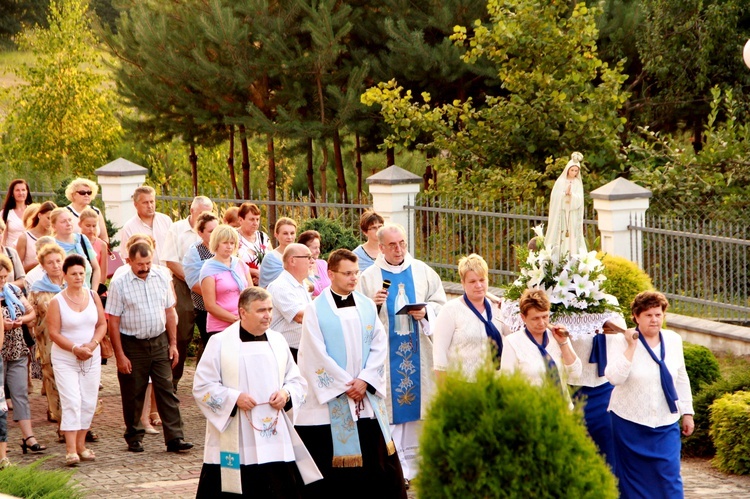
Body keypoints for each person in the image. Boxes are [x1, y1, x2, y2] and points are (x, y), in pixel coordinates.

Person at [296, 249, 407, 498]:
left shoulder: (367, 305)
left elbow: (379, 344)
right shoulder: (315, 310)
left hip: (365, 398)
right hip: (334, 401)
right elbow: (314, 354)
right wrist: (346, 386)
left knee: (376, 463)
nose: (353, 278)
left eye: (356, 273)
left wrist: (365, 381)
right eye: (347, 274)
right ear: (331, 273)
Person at [193, 287, 322, 498]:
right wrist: (234, 398)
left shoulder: (278, 341)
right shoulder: (220, 343)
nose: (268, 315)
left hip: (274, 434)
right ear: (243, 312)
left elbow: (297, 380)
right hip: (237, 430)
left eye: (270, 309)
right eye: (261, 310)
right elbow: (202, 387)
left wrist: (286, 394)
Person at [358, 223, 446, 483]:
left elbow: (442, 304)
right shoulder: (369, 277)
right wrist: (372, 306)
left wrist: (427, 311)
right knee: (391, 413)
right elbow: (360, 317)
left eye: (402, 243)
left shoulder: (423, 272)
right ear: (381, 247)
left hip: (419, 350)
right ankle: (398, 471)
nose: (398, 249)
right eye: (392, 245)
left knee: (421, 411)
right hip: (387, 356)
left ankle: (420, 468)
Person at [105, 241, 193, 453]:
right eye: (140, 264)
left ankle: (175, 438)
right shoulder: (119, 282)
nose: (144, 268)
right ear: (129, 261)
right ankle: (134, 436)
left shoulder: (162, 276)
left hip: (159, 340)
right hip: (132, 343)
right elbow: (113, 321)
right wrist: (120, 355)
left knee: (166, 389)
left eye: (148, 263)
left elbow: (170, 312)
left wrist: (173, 344)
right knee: (133, 391)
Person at [605, 291, 694, 498]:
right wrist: (631, 346)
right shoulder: (620, 341)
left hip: (665, 421)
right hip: (628, 421)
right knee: (632, 480)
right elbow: (614, 378)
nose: (654, 319)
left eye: (658, 314)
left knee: (669, 476)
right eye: (648, 315)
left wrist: (687, 412)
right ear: (635, 317)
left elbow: (681, 376)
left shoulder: (673, 340)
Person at [45, 254, 107, 466]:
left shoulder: (92, 295)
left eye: (81, 273)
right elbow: (53, 333)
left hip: (90, 356)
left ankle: (81, 445)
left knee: (89, 401)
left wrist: (92, 345)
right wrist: (74, 348)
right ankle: (70, 450)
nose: (78, 277)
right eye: (74, 274)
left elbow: (101, 324)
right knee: (72, 400)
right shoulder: (57, 301)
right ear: (65, 275)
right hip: (66, 357)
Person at [161, 195, 213, 392]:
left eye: (209, 212)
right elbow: (171, 260)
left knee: (209, 335)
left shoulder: (214, 229)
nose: (205, 216)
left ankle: (204, 380)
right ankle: (173, 379)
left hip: (209, 287)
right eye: (202, 213)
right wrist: (193, 281)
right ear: (192, 211)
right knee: (182, 333)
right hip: (183, 284)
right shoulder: (177, 229)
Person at [500, 289, 582, 408]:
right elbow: (507, 384)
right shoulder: (512, 342)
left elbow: (576, 374)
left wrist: (563, 343)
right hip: (533, 413)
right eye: (535, 318)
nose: (542, 323)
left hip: (563, 411)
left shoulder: (558, 336)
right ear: (523, 317)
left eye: (545, 316)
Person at [433, 254, 503, 381]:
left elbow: (516, 336)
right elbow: (439, 355)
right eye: (472, 281)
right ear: (463, 283)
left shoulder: (498, 308)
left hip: (493, 385)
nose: (478, 285)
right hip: (461, 386)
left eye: (482, 280)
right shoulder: (450, 310)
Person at [0, 254, 44, 454]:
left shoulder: (13, 290)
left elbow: (32, 313)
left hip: (17, 348)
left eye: (4, 276)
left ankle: (28, 437)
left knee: (20, 393)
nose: (2, 280)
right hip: (0, 350)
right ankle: (2, 443)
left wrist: (21, 320)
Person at [28, 243, 67, 429]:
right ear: (43, 265)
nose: (56, 265)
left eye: (58, 261)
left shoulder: (73, 283)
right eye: (50, 262)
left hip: (72, 340)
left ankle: (82, 426)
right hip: (48, 344)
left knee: (74, 384)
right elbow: (31, 316)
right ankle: (62, 425)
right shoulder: (37, 289)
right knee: (54, 384)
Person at [199, 225, 250, 341]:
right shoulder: (208, 269)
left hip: (244, 323)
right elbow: (210, 305)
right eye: (225, 243)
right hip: (220, 327)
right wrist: (235, 319)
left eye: (232, 243)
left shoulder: (240, 264)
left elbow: (250, 293)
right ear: (216, 243)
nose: (229, 246)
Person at [267, 244, 313, 362]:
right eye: (308, 257)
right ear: (292, 261)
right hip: (286, 352)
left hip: (299, 350)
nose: (312, 261)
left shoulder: (300, 283)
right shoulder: (281, 286)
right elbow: (300, 316)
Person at [183, 212, 219, 353]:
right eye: (211, 231)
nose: (215, 234)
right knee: (211, 348)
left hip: (228, 308)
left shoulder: (227, 248)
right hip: (205, 309)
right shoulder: (195, 252)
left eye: (217, 230)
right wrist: (219, 292)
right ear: (200, 232)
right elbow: (194, 285)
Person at [545, 152, 586, 258]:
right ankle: (559, 256)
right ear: (568, 169)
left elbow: (580, 199)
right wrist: (564, 194)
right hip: (562, 212)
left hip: (572, 214)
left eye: (576, 170)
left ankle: (572, 256)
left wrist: (572, 195)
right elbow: (555, 197)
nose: (574, 172)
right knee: (560, 234)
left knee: (572, 236)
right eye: (572, 170)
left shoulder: (577, 183)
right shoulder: (561, 182)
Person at [119, 186, 172, 265]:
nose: (150, 206)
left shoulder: (166, 221)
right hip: (144, 274)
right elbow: (127, 258)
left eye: (152, 201)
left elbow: (174, 249)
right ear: (135, 204)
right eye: (145, 202)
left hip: (168, 274)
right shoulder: (129, 228)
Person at [51, 208, 100, 292]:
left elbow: (96, 268)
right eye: (63, 222)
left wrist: (93, 293)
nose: (68, 224)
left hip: (87, 295)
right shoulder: (52, 245)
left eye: (70, 220)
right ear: (54, 226)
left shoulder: (82, 239)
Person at [236, 202, 272, 286]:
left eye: (257, 219)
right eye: (252, 219)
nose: (255, 223)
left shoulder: (263, 237)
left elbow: (272, 259)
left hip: (264, 283)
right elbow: (230, 262)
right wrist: (254, 272)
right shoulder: (233, 237)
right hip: (242, 283)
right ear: (241, 220)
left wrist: (262, 276)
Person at [64, 178, 108, 244]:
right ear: (73, 195)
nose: (86, 195)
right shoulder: (65, 212)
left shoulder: (96, 211)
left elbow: (104, 238)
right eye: (82, 192)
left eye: (89, 192)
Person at [16, 201, 56, 272]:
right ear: (39, 215)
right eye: (48, 218)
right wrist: (39, 263)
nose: (50, 222)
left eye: (53, 220)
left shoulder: (55, 236)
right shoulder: (25, 238)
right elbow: (17, 269)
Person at [259, 217, 296, 288]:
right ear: (276, 235)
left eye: (292, 233)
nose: (289, 237)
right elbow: (266, 286)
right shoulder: (270, 258)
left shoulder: (301, 255)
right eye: (285, 233)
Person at [79, 208, 108, 285]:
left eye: (94, 226)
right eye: (88, 226)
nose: (91, 229)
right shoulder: (75, 242)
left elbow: (103, 274)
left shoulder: (101, 245)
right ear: (80, 224)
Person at [297, 230, 330, 297]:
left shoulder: (323, 264)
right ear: (305, 248)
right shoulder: (299, 267)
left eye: (319, 247)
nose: (318, 251)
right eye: (315, 248)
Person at [2, 179, 33, 249]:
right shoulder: (6, 213)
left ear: (27, 192)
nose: (21, 193)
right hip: (11, 253)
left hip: (30, 252)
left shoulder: (33, 211)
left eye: (23, 190)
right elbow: (3, 236)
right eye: (17, 190)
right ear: (12, 193)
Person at [0, 220, 25, 289]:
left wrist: (5, 285)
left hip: (11, 296)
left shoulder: (11, 253)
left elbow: (22, 280)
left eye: (0, 233)